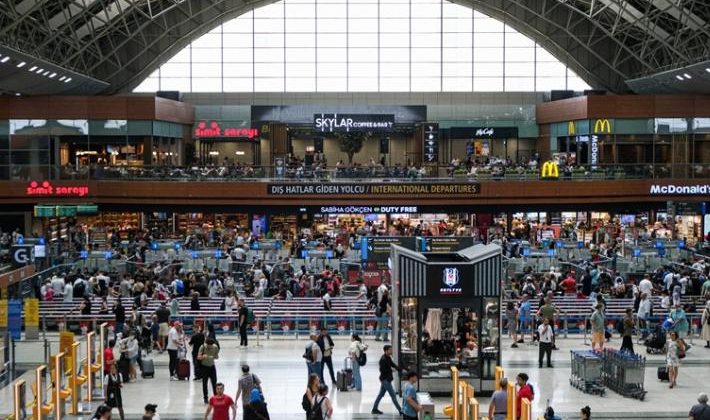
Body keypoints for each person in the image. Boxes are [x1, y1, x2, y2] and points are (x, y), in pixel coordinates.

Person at [371, 345, 402, 415]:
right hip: (385, 380)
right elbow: (382, 370)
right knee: (393, 395)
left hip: (386, 379)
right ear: (386, 351)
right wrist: (391, 370)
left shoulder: (388, 357)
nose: (391, 351)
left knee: (380, 395)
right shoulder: (383, 359)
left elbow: (392, 364)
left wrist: (398, 368)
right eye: (390, 350)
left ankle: (374, 409)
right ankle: (400, 410)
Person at [198, 337, 220, 404]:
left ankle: (216, 397)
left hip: (212, 367)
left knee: (214, 383)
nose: (209, 347)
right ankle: (205, 398)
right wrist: (202, 357)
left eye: (210, 346)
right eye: (208, 345)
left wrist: (212, 357)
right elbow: (198, 357)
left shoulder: (215, 347)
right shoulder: (202, 347)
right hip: (204, 367)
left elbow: (217, 356)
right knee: (205, 383)